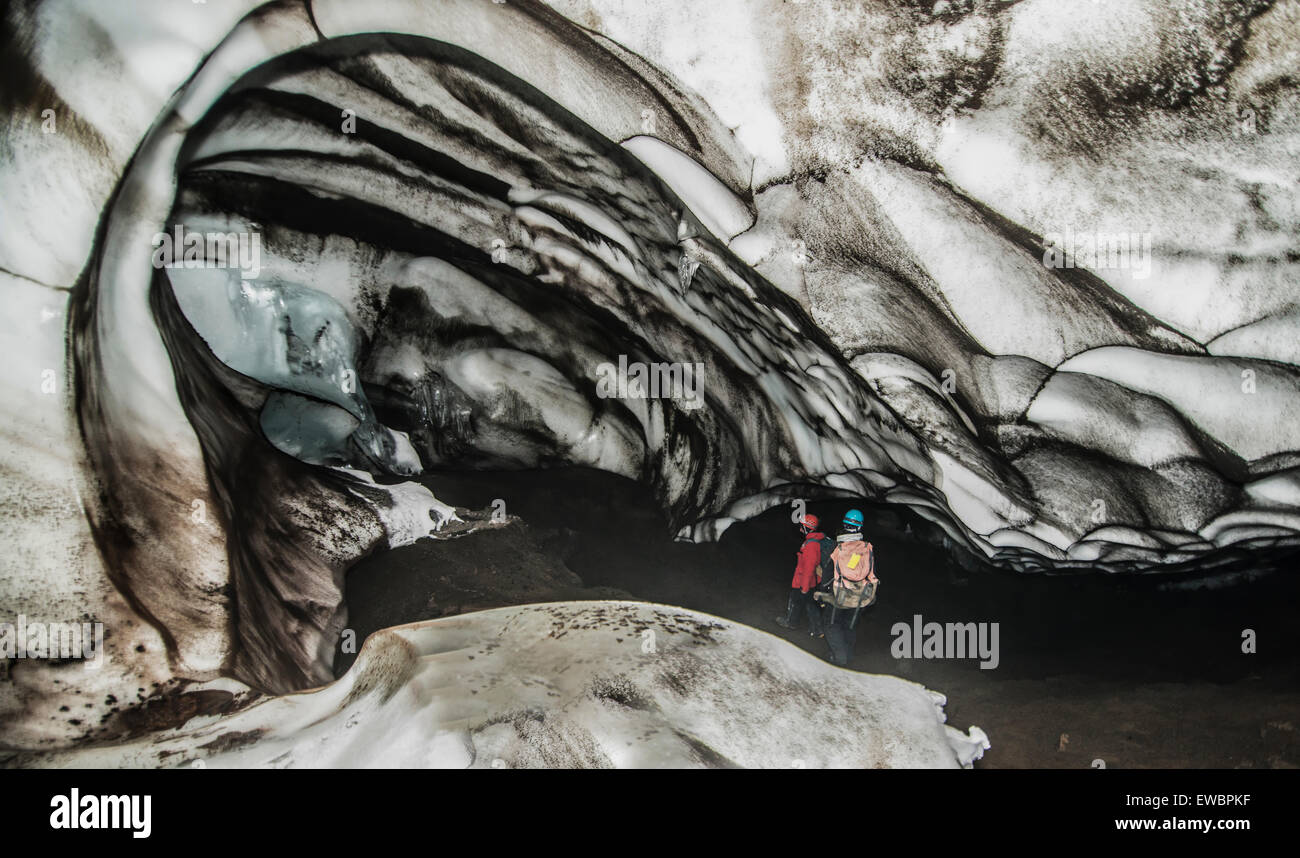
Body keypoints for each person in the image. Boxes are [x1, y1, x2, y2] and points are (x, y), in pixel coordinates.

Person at [816, 509, 878, 666]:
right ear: (860, 526)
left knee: (831, 625)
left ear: (845, 523)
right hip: (860, 596)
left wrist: (824, 594)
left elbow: (827, 575)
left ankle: (840, 657)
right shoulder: (867, 548)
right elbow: (871, 573)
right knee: (849, 626)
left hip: (840, 595)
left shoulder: (839, 548)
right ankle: (848, 656)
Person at [775, 513, 830, 637]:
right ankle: (818, 630)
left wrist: (804, 587)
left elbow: (808, 568)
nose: (800, 528)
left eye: (802, 526)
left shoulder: (811, 545)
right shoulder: (814, 540)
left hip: (804, 581)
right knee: (811, 605)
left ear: (807, 528)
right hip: (812, 581)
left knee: (795, 600)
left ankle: (791, 622)